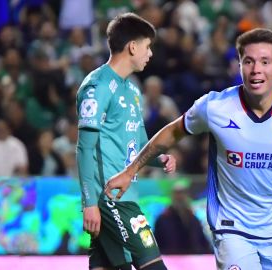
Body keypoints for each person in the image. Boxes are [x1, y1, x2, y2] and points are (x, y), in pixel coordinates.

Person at [105, 28, 272, 270]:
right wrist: (130, 170)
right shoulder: (215, 107)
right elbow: (171, 132)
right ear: (239, 66)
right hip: (233, 228)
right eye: (249, 61)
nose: (256, 70)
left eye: (266, 62)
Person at [76, 13, 175, 270]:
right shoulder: (96, 87)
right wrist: (89, 204)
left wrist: (160, 159)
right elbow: (84, 149)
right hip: (109, 199)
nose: (150, 53)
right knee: (154, 266)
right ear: (132, 46)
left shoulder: (131, 90)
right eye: (147, 46)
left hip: (126, 196)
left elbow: (140, 144)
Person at [154, 181, 211, 255]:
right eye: (177, 193)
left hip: (192, 259)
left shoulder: (193, 219)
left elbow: (202, 243)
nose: (180, 196)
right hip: (171, 259)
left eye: (182, 193)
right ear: (172, 195)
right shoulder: (162, 219)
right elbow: (157, 244)